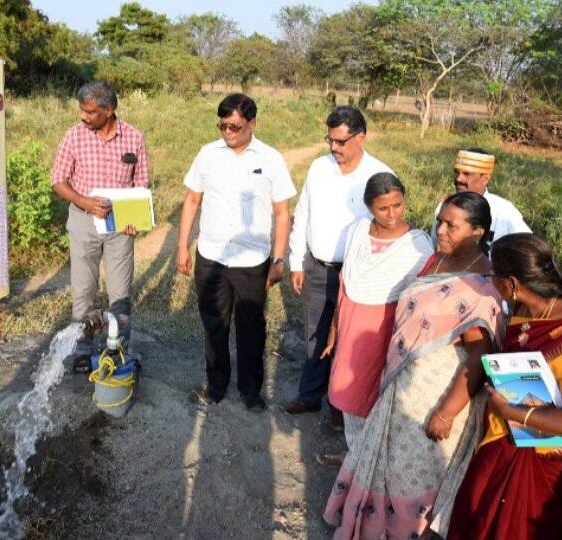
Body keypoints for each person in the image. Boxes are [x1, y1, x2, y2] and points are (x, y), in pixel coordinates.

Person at [323, 192, 505, 539]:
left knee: (415, 479)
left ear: (478, 231)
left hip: (437, 401)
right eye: (440, 221)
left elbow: (479, 359)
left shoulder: (482, 284)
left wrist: (446, 414)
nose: (441, 230)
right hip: (404, 388)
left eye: (452, 225)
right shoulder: (437, 261)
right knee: (388, 469)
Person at [447, 233, 562, 540]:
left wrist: (511, 410)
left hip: (543, 464)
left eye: (493, 276)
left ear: (512, 283)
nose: (491, 282)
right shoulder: (529, 312)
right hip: (504, 441)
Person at [176, 93, 296, 413]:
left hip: (252, 261)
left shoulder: (270, 159)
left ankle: (250, 390)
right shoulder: (207, 154)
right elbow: (192, 201)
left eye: (236, 126)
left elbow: (282, 213)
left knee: (251, 328)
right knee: (214, 325)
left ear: (252, 123)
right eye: (223, 126)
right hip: (211, 256)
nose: (228, 132)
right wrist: (182, 247)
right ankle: (216, 385)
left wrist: (279, 258)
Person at [316, 173, 433, 466]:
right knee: (349, 393)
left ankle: (373, 462)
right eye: (384, 208)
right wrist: (334, 329)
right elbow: (346, 284)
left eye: (398, 205)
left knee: (379, 397)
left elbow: (422, 300)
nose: (392, 214)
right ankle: (356, 455)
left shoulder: (417, 245)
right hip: (352, 327)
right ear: (369, 207)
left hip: (387, 334)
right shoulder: (358, 232)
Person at [284, 106, 393, 420]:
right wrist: (296, 260)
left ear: (362, 137)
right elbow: (302, 212)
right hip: (317, 269)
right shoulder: (319, 168)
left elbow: (389, 226)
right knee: (315, 334)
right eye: (330, 140)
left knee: (348, 342)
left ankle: (340, 407)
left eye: (341, 141)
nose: (334, 147)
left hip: (359, 276)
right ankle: (309, 396)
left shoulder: (380, 175)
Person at [51, 81, 149, 365]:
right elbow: (58, 181)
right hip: (83, 223)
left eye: (91, 112)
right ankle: (83, 352)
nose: (84, 116)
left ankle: (118, 351)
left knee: (120, 295)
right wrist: (85, 202)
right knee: (84, 291)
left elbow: (140, 183)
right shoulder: (74, 137)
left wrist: (134, 217)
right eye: (82, 110)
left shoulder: (134, 138)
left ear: (109, 109)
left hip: (119, 228)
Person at [432, 147, 531, 253]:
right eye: (457, 172)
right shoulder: (445, 207)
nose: (458, 179)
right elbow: (434, 247)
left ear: (485, 179)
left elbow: (529, 248)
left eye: (466, 174)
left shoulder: (505, 211)